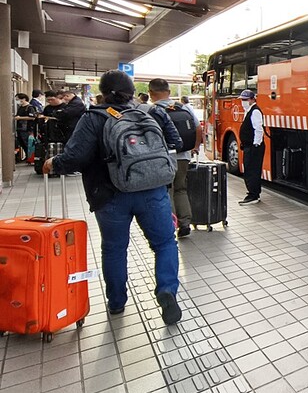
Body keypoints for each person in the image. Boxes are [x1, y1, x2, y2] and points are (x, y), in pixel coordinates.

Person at [43, 70, 185, 324]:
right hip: (153, 191)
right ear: (131, 93)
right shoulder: (146, 113)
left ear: (103, 92)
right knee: (164, 244)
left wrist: (54, 163)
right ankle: (166, 291)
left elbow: (76, 157)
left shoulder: (93, 117)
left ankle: (117, 302)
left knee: (115, 248)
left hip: (110, 196)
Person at [149, 79, 202, 237]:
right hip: (184, 156)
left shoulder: (153, 111)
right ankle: (185, 223)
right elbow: (198, 128)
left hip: (164, 157)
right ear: (169, 92)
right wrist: (195, 147)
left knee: (167, 191)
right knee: (181, 189)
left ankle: (170, 224)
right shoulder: (183, 107)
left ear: (151, 93)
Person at [238, 89, 264, 205]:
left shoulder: (255, 111)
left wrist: (256, 144)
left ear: (253, 99)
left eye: (245, 99)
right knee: (250, 169)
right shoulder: (248, 111)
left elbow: (258, 129)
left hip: (254, 146)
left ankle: (253, 194)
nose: (243, 102)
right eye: (242, 100)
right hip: (250, 145)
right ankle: (253, 193)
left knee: (252, 170)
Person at [13, 93, 36, 162]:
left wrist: (20, 118)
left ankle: (31, 158)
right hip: (20, 128)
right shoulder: (20, 107)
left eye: (18, 99)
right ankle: (27, 156)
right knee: (22, 143)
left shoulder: (30, 107)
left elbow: (32, 117)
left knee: (28, 143)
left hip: (27, 128)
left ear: (24, 99)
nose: (17, 101)